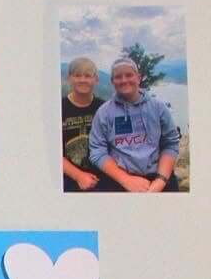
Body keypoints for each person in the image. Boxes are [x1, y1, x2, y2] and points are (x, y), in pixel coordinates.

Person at [89, 58, 182, 192]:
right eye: (118, 77)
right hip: (119, 179)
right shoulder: (104, 113)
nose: (124, 80)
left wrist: (161, 180)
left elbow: (170, 143)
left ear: (138, 78)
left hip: (158, 176)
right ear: (112, 82)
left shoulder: (158, 107)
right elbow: (97, 151)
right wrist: (126, 180)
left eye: (129, 75)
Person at [61, 57, 106, 191]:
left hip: (102, 176)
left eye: (88, 76)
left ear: (96, 80)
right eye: (77, 75)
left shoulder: (104, 108)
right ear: (69, 78)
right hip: (67, 178)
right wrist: (78, 176)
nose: (82, 80)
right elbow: (50, 152)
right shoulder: (58, 108)